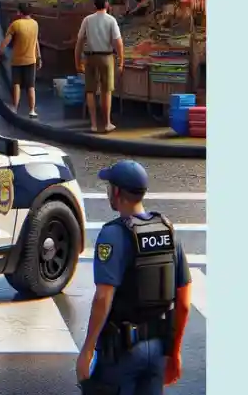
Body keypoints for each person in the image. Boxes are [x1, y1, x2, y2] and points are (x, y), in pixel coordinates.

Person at [76, 160, 192, 394]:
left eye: (110, 186)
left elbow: (103, 297)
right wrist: (174, 351)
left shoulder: (113, 234)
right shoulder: (167, 230)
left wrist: (87, 349)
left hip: (122, 353)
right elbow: (184, 303)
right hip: (158, 349)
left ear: (117, 192)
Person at [76, 0, 125, 134]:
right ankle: (107, 123)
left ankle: (93, 124)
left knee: (90, 91)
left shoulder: (87, 20)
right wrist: (121, 61)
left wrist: (77, 61)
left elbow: (79, 42)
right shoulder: (111, 20)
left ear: (94, 5)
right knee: (106, 90)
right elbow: (118, 43)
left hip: (90, 57)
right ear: (107, 5)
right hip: (106, 57)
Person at [0, 1, 42, 118]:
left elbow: (6, 41)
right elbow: (36, 41)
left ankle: (15, 107)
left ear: (19, 12)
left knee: (17, 83)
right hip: (31, 60)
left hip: (18, 60)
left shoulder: (16, 24)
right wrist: (39, 56)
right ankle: (32, 110)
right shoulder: (35, 24)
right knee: (31, 85)